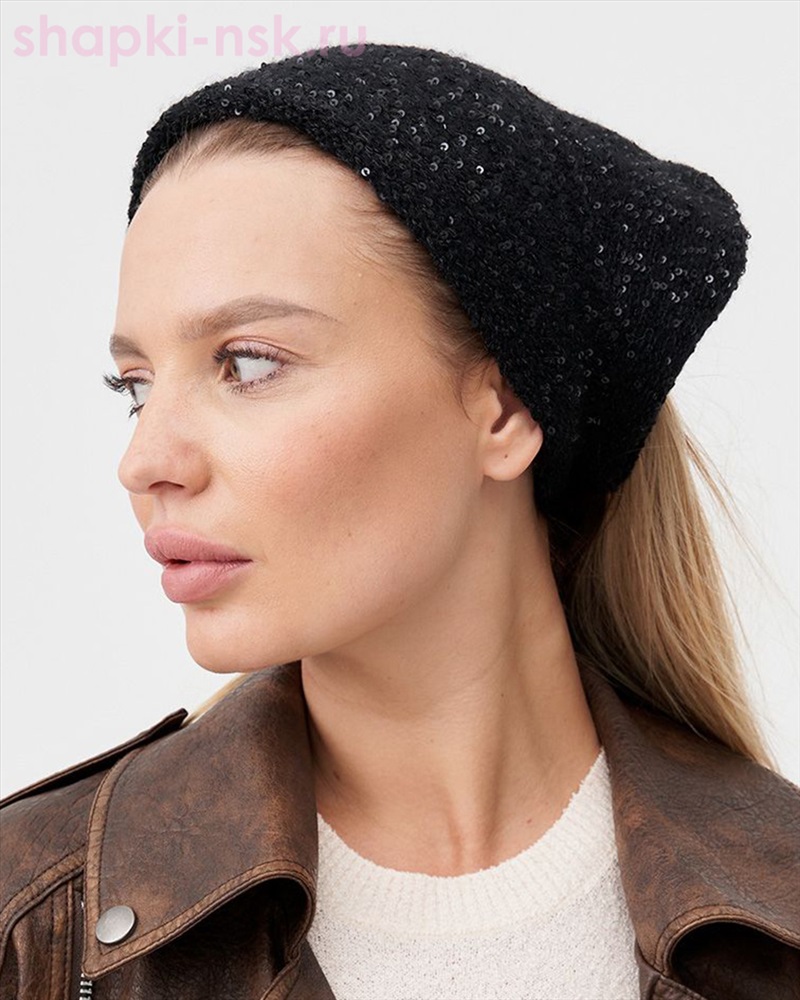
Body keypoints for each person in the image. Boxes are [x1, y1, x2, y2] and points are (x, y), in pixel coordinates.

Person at [1, 41, 798, 1000]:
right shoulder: (33, 923)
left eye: (247, 363)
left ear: (505, 409)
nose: (144, 462)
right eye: (135, 385)